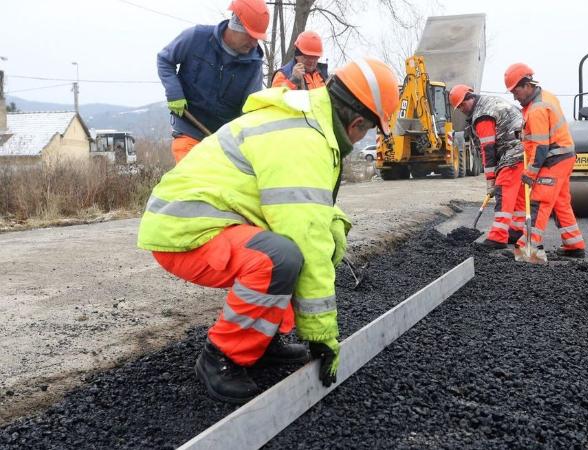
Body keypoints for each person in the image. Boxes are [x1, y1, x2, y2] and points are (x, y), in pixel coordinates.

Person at [137, 58, 399, 404]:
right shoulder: (304, 139)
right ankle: (222, 357)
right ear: (357, 122)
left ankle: (263, 340)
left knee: (289, 250)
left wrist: (334, 228)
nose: (362, 138)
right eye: (367, 131)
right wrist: (321, 335)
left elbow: (312, 213)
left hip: (205, 221)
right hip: (185, 231)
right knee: (283, 257)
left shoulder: (307, 123)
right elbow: (305, 240)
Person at [157, 0, 269, 164]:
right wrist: (174, 93)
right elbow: (165, 60)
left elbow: (250, 109)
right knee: (191, 178)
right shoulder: (196, 38)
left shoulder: (253, 66)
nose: (254, 43)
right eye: (250, 36)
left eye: (257, 38)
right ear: (235, 24)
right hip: (189, 129)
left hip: (222, 141)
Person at [504, 62, 586, 258]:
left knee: (539, 202)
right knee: (560, 203)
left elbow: (541, 147)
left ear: (527, 85)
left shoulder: (537, 109)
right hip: (563, 156)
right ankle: (574, 244)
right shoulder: (545, 97)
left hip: (553, 159)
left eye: (516, 91)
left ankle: (527, 247)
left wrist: (530, 173)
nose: (515, 96)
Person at [449, 84, 526, 248]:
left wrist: (490, 179)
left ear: (470, 97)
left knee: (503, 191)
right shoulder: (487, 103)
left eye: (462, 104)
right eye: (459, 107)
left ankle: (498, 237)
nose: (462, 109)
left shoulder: (482, 115)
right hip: (523, 150)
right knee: (518, 194)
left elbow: (488, 148)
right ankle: (516, 230)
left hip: (512, 153)